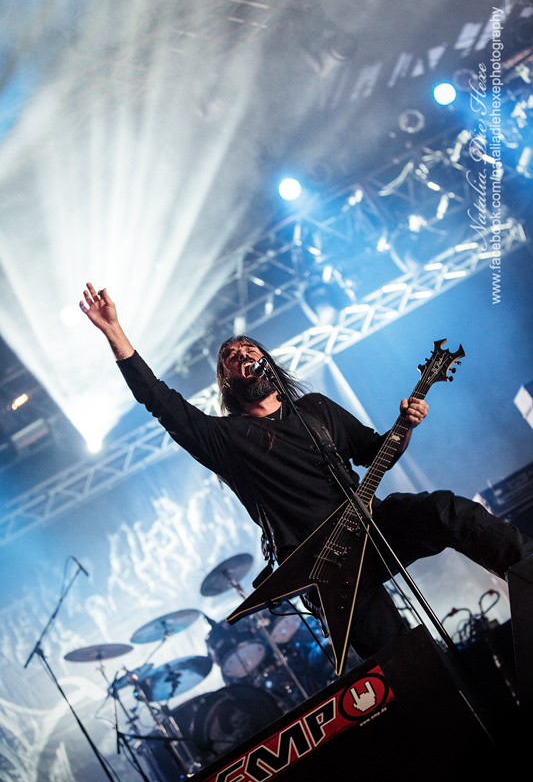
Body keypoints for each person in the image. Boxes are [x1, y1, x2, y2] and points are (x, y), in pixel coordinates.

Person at [80, 282, 533, 660]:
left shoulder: (314, 410)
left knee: (451, 511)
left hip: (373, 525)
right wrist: (115, 332)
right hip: (323, 565)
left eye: (248, 349)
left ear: (267, 362)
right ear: (228, 380)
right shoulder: (226, 438)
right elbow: (161, 402)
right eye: (231, 358)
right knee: (404, 657)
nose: (242, 356)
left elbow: (375, 452)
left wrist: (406, 425)